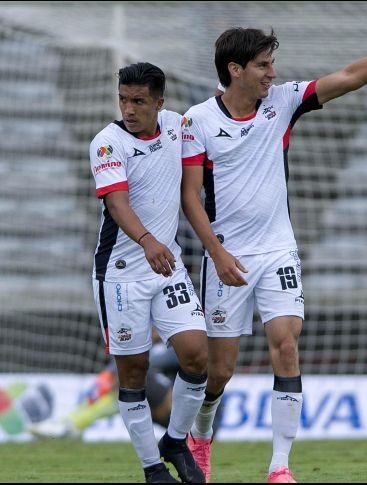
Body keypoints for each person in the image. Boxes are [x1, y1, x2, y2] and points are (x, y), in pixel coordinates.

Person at [180, 27, 367, 483]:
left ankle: (279, 467)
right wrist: (215, 253)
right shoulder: (197, 121)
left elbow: (350, 76)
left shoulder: (282, 102)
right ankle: (200, 436)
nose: (272, 73)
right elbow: (191, 196)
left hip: (279, 250)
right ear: (235, 70)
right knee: (218, 373)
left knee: (287, 346)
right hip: (227, 259)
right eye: (262, 65)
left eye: (271, 64)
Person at [89, 62, 210, 484]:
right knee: (134, 372)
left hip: (167, 264)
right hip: (121, 272)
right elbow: (118, 205)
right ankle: (152, 468)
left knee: (197, 354)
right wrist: (147, 241)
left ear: (159, 102)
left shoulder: (179, 126)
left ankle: (175, 441)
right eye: (123, 99)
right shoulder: (107, 143)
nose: (129, 109)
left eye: (139, 101)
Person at [28, 337, 225, 442]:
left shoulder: (187, 343)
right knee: (129, 378)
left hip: (202, 423)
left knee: (135, 374)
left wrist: (111, 372)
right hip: (178, 417)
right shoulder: (169, 342)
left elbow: (151, 360)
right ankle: (72, 423)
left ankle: (72, 424)